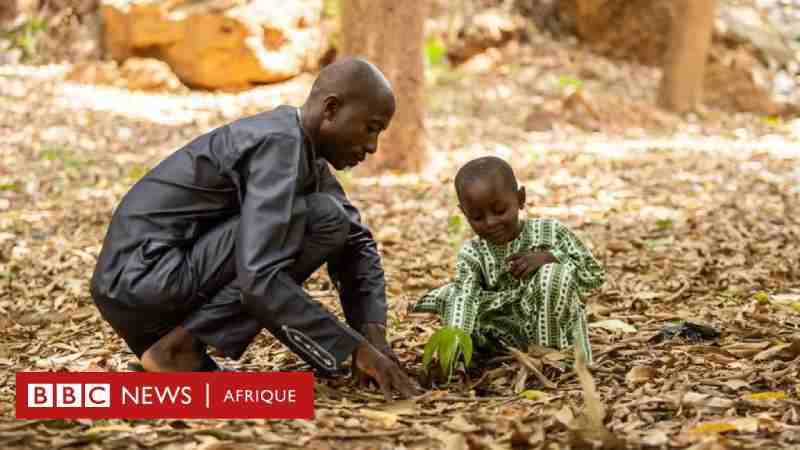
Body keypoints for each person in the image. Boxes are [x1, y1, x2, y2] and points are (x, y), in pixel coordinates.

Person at [90, 57, 417, 400]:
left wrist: (374, 337)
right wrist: (353, 351)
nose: (372, 146)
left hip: (140, 284)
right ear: (331, 110)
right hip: (143, 276)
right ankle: (177, 350)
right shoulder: (279, 144)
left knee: (330, 218)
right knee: (321, 218)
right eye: (371, 128)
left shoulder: (301, 149)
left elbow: (356, 243)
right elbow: (258, 278)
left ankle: (176, 347)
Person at [410, 156, 605, 364]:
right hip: (503, 342)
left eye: (500, 210)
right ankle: (472, 359)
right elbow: (463, 300)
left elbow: (594, 275)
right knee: (454, 294)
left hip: (557, 334)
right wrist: (450, 357)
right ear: (464, 213)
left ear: (520, 198)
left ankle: (553, 358)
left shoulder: (550, 233)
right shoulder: (473, 253)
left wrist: (550, 257)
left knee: (553, 274)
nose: (491, 222)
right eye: (477, 217)